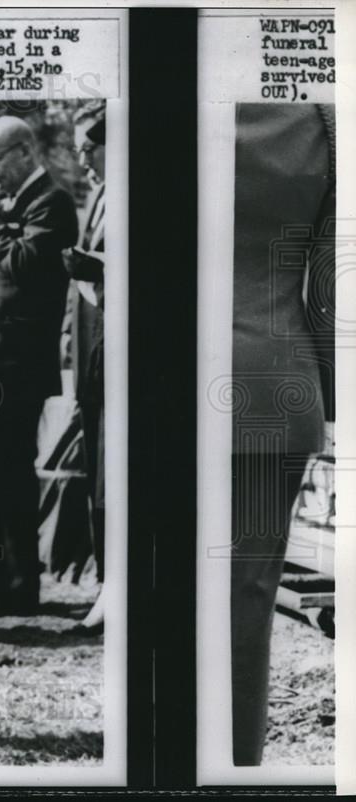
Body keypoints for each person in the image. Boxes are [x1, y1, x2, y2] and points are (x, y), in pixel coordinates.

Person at [230, 103, 334, 766]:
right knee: (246, 597)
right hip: (276, 380)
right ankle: (234, 762)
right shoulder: (321, 123)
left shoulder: (157, 96)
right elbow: (330, 287)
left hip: (164, 385)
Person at [0, 116, 78, 621]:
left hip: (17, 362)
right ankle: (0, 586)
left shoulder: (52, 201)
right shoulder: (0, 206)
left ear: (24, 152)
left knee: (11, 478)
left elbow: (26, 265)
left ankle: (16, 588)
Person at [62, 102, 107, 632]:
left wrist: (94, 266)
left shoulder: (135, 190)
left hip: (119, 354)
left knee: (112, 476)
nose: (83, 160)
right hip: (92, 356)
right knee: (96, 472)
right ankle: (105, 583)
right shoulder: (98, 194)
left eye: (88, 149)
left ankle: (114, 584)